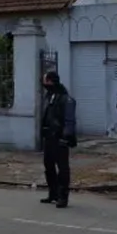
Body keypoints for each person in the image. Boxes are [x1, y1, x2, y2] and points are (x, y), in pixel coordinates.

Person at [39, 71, 72, 208]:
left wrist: (65, 137)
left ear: (51, 82)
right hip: (49, 137)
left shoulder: (64, 98)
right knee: (48, 166)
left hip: (59, 138)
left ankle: (62, 196)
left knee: (63, 168)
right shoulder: (49, 96)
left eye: (45, 81)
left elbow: (69, 120)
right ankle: (53, 193)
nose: (44, 83)